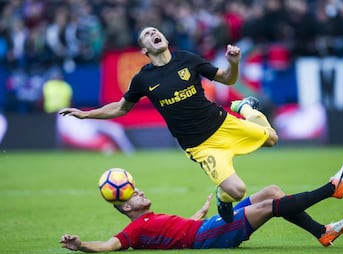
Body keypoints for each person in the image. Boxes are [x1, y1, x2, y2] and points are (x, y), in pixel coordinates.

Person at [59, 26, 278, 223]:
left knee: (272, 139)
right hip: (200, 145)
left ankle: (245, 108)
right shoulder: (143, 79)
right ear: (144, 50)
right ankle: (223, 197)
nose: (153, 33)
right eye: (147, 34)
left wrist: (233, 62)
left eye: (155, 31)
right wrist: (86, 115)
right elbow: (121, 107)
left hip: (222, 123)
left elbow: (227, 79)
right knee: (238, 191)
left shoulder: (187, 59)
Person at [60, 158, 343, 251]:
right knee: (269, 206)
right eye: (134, 194)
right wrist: (81, 244)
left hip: (203, 227)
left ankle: (321, 232)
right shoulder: (135, 230)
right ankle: (330, 189)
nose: (140, 191)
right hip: (207, 236)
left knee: (272, 191)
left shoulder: (148, 221)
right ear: (125, 207)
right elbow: (110, 245)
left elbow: (170, 234)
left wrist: (195, 216)